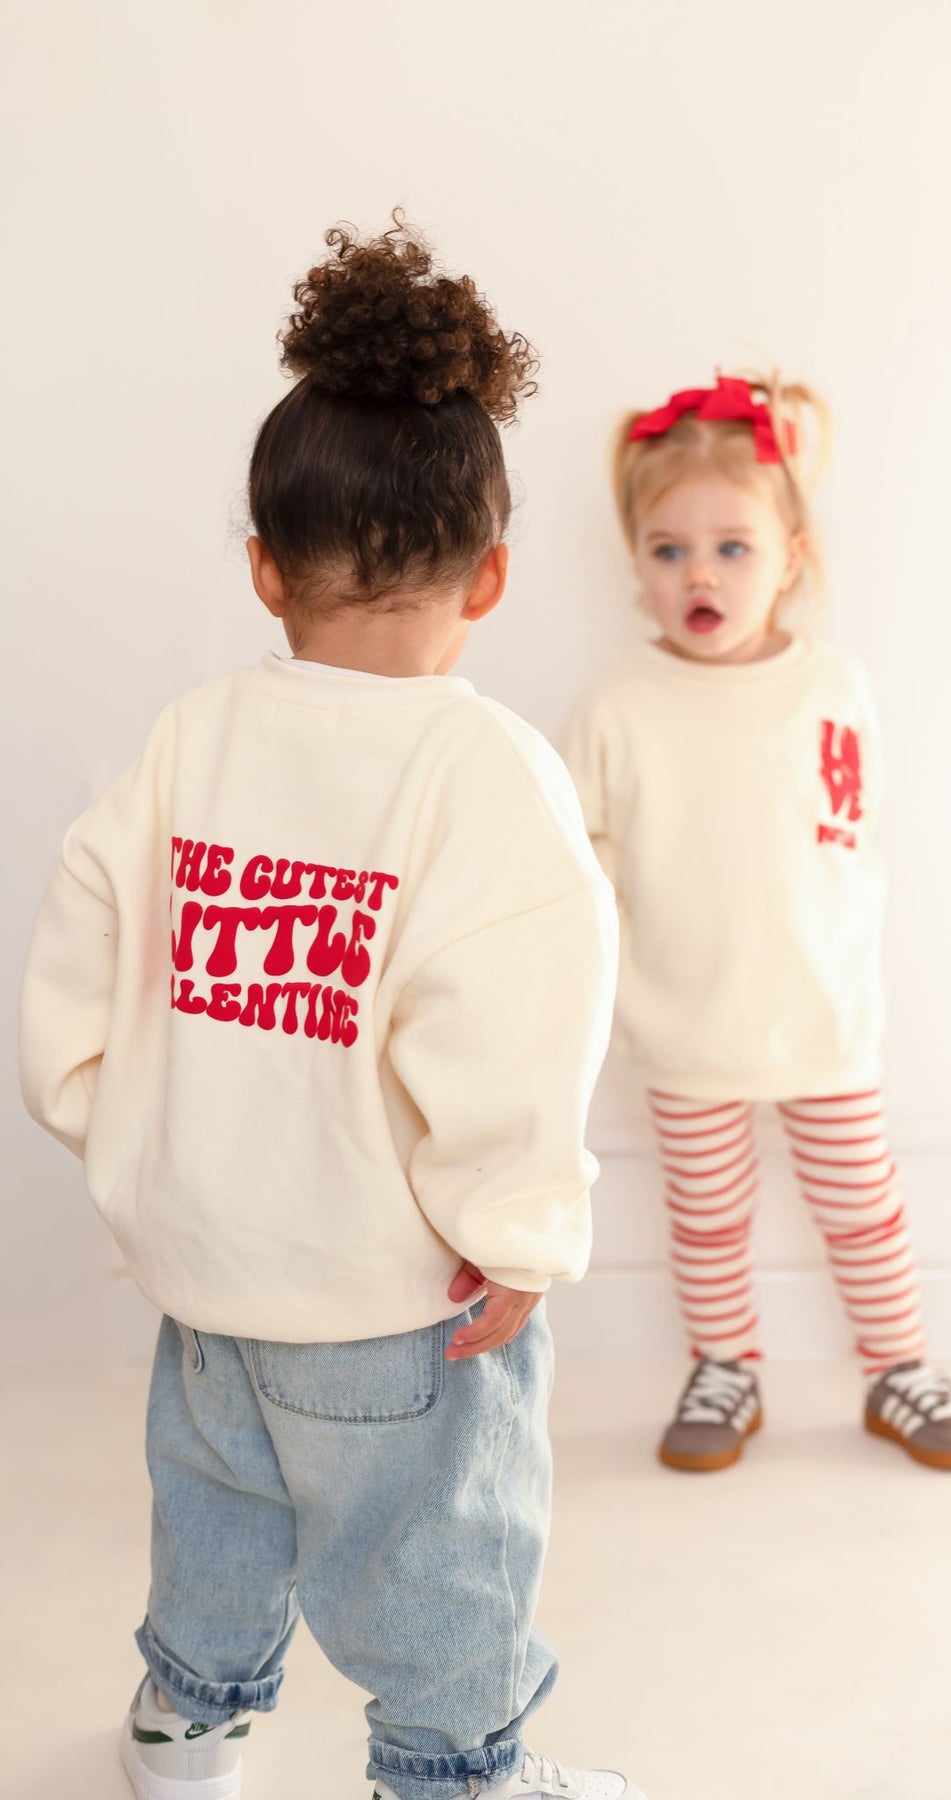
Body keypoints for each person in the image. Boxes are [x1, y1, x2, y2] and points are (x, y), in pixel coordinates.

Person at [19, 213, 644, 1800]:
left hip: (206, 1261)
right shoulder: (483, 773)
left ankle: (187, 1723)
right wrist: (516, 1231)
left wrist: (132, 1132)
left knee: (219, 1502)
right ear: (490, 575)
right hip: (389, 1292)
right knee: (434, 1539)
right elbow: (513, 1024)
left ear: (262, 566)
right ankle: (453, 1771)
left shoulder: (193, 734)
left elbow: (85, 940)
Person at [559, 372, 951, 1476]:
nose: (698, 573)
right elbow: (575, 859)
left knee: (862, 1207)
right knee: (706, 1216)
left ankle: (899, 1367)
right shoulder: (617, 706)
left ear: (790, 558)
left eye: (731, 548)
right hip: (683, 1020)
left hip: (818, 1016)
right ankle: (725, 1366)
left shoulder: (832, 686)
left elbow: (851, 832)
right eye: (668, 550)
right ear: (637, 566)